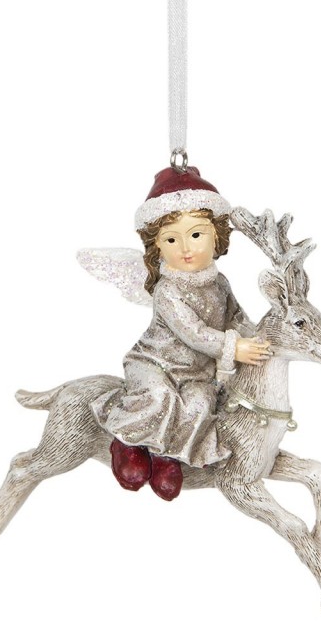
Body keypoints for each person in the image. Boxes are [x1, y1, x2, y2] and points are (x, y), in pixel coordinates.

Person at [90, 166, 271, 501]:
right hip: (154, 364)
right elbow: (195, 333)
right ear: (157, 246)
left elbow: (235, 317)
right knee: (158, 397)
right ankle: (126, 443)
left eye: (196, 235)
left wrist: (256, 336)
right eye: (172, 239)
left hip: (197, 372)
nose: (186, 248)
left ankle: (166, 457)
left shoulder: (219, 282)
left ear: (217, 236)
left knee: (200, 406)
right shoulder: (168, 290)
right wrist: (234, 347)